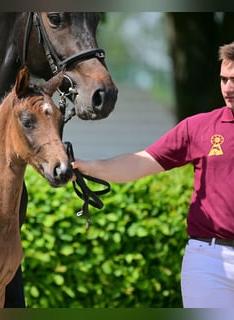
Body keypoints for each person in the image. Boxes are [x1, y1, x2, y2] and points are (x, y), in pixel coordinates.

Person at [72, 41, 234, 308]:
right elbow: (141, 163)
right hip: (209, 261)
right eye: (223, 79)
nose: (228, 88)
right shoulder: (199, 128)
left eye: (233, 80)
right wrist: (88, 166)